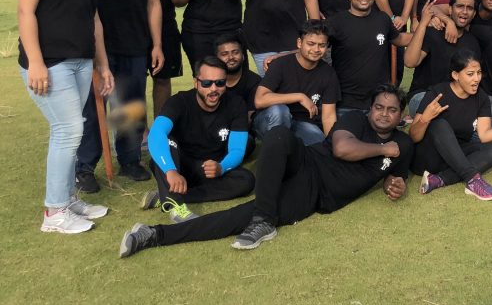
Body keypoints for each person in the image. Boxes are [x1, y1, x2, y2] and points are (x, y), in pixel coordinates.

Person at [119, 85, 413, 257]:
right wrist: (384, 150)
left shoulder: (404, 144)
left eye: (392, 110)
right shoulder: (356, 121)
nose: (383, 114)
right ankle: (265, 220)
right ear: (370, 108)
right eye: (379, 107)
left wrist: (395, 183)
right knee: (278, 135)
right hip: (308, 161)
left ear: (401, 115)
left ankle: (154, 235)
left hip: (316, 193)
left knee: (240, 216)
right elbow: (342, 149)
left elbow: (397, 175)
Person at [18, 0, 114, 233]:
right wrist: (36, 62)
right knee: (68, 130)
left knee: (73, 131)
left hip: (81, 60)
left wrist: (103, 65)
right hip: (49, 62)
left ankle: (68, 199)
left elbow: (94, 19)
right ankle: (54, 213)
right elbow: (26, 12)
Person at [76, 0, 164, 190]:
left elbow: (153, 4)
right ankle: (85, 166)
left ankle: (129, 160)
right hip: (100, 46)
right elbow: (86, 0)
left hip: (136, 45)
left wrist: (156, 45)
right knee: (94, 109)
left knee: (130, 105)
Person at [140, 57, 255, 223]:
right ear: (196, 83)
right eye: (207, 83)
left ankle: (166, 195)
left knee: (246, 181)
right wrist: (171, 170)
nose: (213, 89)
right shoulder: (179, 102)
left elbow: (237, 149)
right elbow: (156, 133)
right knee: (167, 141)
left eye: (220, 83)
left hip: (209, 168)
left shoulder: (236, 104)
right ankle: (177, 206)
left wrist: (221, 167)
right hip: (179, 164)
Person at [412, 52, 492, 200]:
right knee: (439, 124)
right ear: (455, 75)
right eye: (470, 74)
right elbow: (414, 137)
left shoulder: (481, 97)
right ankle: (472, 180)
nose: (476, 79)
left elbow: (484, 135)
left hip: (453, 159)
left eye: (479, 73)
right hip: (428, 158)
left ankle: (439, 179)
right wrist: (425, 119)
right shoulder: (437, 93)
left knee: (491, 150)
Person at [327, 0, 412, 115]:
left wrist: (424, 30)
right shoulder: (336, 22)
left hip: (378, 103)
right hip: (346, 103)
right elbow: (315, 46)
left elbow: (400, 39)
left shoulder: (383, 19)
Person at [252, 20, 339, 145]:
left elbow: (328, 116)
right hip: (271, 119)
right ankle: (276, 150)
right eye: (311, 44)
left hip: (301, 123)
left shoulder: (328, 73)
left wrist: (332, 146)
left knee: (319, 145)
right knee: (280, 111)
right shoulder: (280, 64)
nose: (316, 49)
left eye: (322, 45)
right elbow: (259, 100)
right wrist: (299, 97)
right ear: (299, 43)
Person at [405, 0, 481, 116]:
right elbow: (410, 62)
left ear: (474, 14)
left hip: (455, 99)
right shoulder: (433, 33)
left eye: (469, 8)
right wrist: (423, 23)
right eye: (460, 6)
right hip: (423, 95)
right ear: (450, 9)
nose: (464, 11)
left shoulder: (472, 43)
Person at [214, 32, 261, 117]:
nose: (231, 57)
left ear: (243, 56)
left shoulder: (254, 81)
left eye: (235, 52)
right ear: (216, 59)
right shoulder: (210, 82)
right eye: (224, 54)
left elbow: (251, 116)